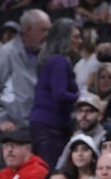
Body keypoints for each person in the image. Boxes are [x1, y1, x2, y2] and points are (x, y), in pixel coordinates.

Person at [0, 9, 51, 131]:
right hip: (16, 131)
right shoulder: (5, 53)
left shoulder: (47, 54)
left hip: (43, 127)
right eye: (43, 30)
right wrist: (1, 119)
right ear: (28, 29)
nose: (48, 34)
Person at [30, 18, 81, 167]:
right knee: (52, 171)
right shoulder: (60, 61)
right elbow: (60, 94)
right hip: (50, 128)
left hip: (42, 125)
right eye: (76, 37)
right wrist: (80, 97)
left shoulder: (49, 60)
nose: (80, 41)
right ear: (64, 39)